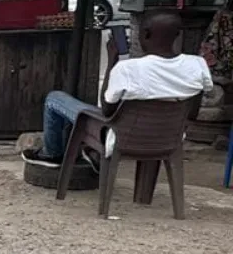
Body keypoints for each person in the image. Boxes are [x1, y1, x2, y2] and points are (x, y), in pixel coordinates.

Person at [25, 10, 212, 165]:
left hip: (123, 138)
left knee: (55, 98)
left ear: (145, 34)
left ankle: (52, 154)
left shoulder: (128, 69)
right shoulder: (197, 65)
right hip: (168, 140)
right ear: (177, 35)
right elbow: (192, 114)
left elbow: (107, 110)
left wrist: (112, 63)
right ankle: (91, 153)